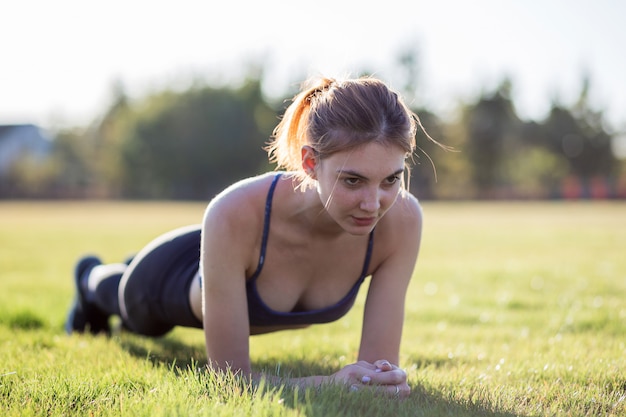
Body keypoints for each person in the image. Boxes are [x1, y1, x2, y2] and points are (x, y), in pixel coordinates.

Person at [66, 75, 439, 399]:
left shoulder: (402, 220)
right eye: (353, 180)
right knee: (135, 314)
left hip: (223, 259)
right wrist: (328, 383)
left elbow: (377, 373)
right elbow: (230, 382)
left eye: (391, 179)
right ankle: (89, 278)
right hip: (169, 277)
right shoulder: (233, 211)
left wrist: (382, 382)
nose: (373, 204)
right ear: (311, 163)